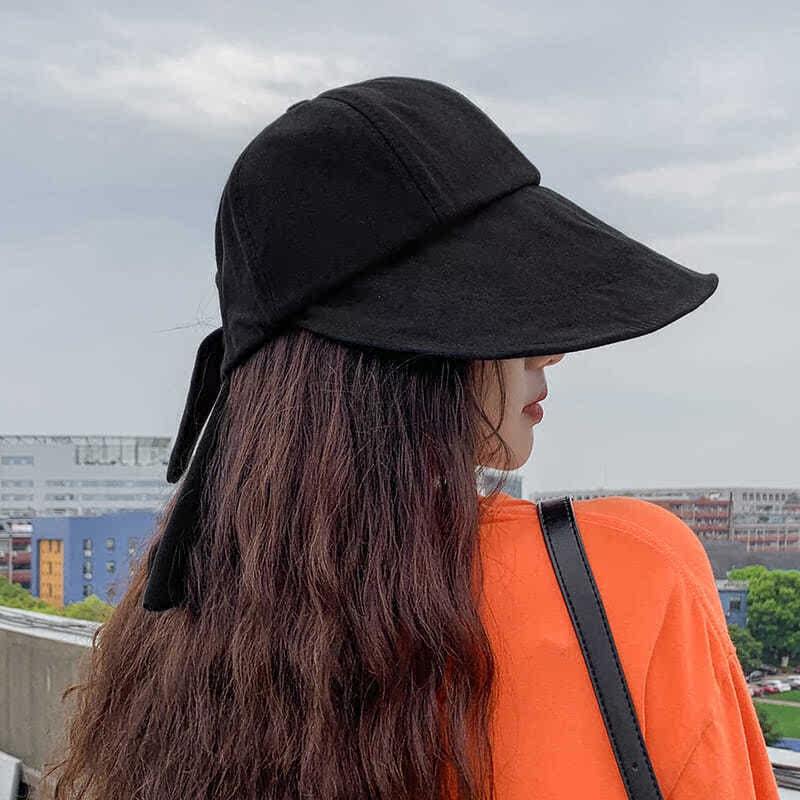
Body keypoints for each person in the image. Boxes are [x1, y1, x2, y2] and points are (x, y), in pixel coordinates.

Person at [38, 77, 779, 799]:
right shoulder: (626, 575)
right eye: (506, 305)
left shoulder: (182, 623)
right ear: (412, 348)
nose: (550, 351)